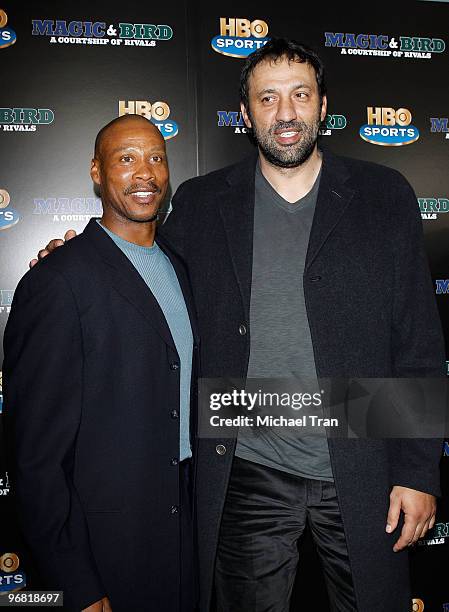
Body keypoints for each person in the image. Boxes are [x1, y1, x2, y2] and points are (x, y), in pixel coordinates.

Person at [32, 38, 445, 612]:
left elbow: (419, 343)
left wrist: (418, 471)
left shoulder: (383, 195)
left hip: (362, 465)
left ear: (323, 106)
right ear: (247, 116)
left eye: (299, 95)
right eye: (267, 99)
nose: (285, 113)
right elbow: (140, 261)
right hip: (249, 470)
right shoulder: (201, 204)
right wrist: (75, 255)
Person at [3, 114, 199, 612]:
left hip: (186, 537)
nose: (146, 173)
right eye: (126, 159)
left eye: (157, 158)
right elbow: (36, 458)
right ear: (96, 172)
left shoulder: (183, 268)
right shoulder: (58, 281)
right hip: (106, 547)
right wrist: (78, 584)